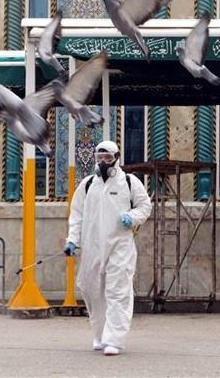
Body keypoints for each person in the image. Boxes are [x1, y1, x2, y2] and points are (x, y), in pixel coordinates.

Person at [65, 140, 151, 356]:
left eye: (108, 158)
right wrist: (72, 239)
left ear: (117, 158)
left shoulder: (129, 182)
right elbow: (76, 215)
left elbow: (144, 206)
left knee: (117, 291)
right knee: (92, 289)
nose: (103, 162)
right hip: (92, 246)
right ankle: (100, 333)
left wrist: (131, 217)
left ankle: (114, 339)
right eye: (100, 157)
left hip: (119, 246)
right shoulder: (87, 185)